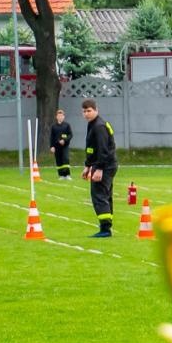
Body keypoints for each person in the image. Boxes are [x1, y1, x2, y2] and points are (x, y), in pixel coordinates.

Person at [81, 99, 118, 238]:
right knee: (104, 195)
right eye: (84, 111)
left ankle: (105, 229)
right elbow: (92, 149)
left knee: (100, 195)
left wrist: (100, 169)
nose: (86, 114)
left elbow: (103, 150)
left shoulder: (99, 126)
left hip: (105, 165)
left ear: (96, 110)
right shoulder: (92, 124)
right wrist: (87, 166)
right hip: (101, 164)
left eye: (89, 111)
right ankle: (106, 226)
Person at [49, 108, 73, 179]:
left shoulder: (67, 125)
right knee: (58, 160)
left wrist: (64, 140)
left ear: (64, 117)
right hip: (57, 146)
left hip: (65, 146)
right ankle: (61, 175)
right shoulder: (54, 126)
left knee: (65, 158)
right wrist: (52, 146)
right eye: (59, 116)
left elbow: (70, 135)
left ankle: (67, 175)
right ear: (56, 117)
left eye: (61, 116)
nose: (60, 117)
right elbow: (52, 137)